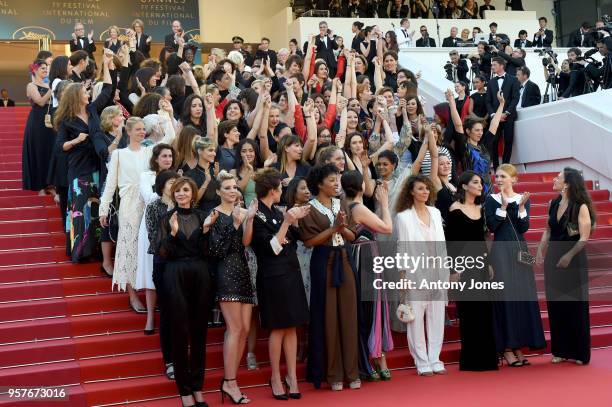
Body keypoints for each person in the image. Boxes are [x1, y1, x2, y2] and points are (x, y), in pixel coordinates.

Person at [243, 168, 310, 400]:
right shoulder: (257, 214)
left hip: (290, 272)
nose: (283, 192)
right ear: (272, 191)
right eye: (280, 189)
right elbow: (271, 249)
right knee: (278, 327)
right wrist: (287, 222)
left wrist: (295, 219)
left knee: (292, 326)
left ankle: (291, 376)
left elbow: (293, 240)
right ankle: (275, 376)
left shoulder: (275, 210)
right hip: (272, 276)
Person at [99, 114, 176, 310]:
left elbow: (171, 136)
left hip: (149, 205)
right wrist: (103, 208)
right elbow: (110, 184)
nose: (142, 132)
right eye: (138, 129)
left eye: (144, 129)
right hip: (128, 205)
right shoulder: (119, 154)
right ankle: (133, 295)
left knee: (148, 248)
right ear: (129, 131)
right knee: (130, 249)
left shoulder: (149, 150)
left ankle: (151, 291)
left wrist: (166, 115)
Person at [155, 176, 215, 407]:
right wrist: (172, 233)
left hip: (200, 274)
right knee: (179, 332)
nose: (181, 194)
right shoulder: (165, 218)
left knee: (200, 333)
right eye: (177, 190)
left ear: (193, 193)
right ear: (173, 194)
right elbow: (161, 253)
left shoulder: (202, 217)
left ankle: (198, 387)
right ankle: (184, 391)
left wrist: (208, 231)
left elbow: (208, 252)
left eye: (185, 190)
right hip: (174, 274)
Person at [298, 164, 359, 391]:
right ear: (320, 183)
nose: (336, 183)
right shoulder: (308, 208)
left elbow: (352, 235)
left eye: (338, 180)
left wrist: (341, 228)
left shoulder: (341, 203)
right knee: (328, 317)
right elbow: (308, 242)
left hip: (345, 259)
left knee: (349, 316)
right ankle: (333, 374)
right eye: (332, 180)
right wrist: (333, 229)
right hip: (323, 262)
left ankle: (352, 372)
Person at [485, 163, 546, 367]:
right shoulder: (491, 199)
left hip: (521, 251)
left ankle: (518, 345)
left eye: (503, 176)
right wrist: (502, 207)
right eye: (497, 176)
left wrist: (520, 207)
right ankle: (507, 348)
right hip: (501, 252)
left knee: (523, 295)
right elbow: (493, 227)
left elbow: (524, 227)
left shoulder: (523, 199)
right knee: (506, 298)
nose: (499, 180)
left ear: (514, 179)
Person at [54, 53, 113, 263]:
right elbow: (60, 147)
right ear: (75, 96)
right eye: (84, 91)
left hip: (97, 166)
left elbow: (107, 91)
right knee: (80, 210)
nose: (87, 92)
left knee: (96, 210)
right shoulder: (67, 120)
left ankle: (96, 251)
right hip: (79, 170)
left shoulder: (92, 110)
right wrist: (77, 140)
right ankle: (80, 251)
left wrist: (106, 65)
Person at [537, 168, 596, 365]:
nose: (554, 179)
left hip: (574, 259)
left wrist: (569, 256)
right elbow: (547, 230)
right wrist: (540, 250)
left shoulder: (581, 206)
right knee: (556, 305)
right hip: (553, 257)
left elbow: (584, 238)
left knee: (575, 306)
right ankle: (560, 350)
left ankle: (579, 352)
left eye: (559, 177)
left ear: (568, 183)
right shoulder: (553, 203)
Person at [342, 170, 394, 381]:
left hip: (360, 256)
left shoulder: (348, 205)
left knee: (368, 308)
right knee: (372, 307)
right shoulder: (359, 208)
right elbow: (387, 228)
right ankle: (374, 358)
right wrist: (385, 203)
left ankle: (373, 357)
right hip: (366, 259)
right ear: (361, 186)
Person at [395, 174, 449, 376]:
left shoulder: (435, 212)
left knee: (436, 317)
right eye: (420, 188)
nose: (425, 192)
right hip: (415, 272)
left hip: (437, 272)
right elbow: (401, 248)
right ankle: (421, 361)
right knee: (416, 318)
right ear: (411, 191)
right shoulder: (403, 217)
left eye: (427, 188)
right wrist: (402, 277)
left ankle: (435, 358)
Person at [209, 171, 255, 404]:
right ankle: (230, 382)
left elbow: (246, 242)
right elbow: (216, 251)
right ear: (218, 191)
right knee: (235, 329)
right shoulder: (214, 215)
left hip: (243, 270)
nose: (233, 190)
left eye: (235, 187)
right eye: (227, 187)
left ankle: (231, 380)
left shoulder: (244, 211)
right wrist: (234, 223)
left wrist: (249, 220)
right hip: (225, 272)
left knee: (245, 329)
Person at [446, 171, 499, 371]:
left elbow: (481, 240)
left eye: (481, 183)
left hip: (480, 265)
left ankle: (487, 358)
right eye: (476, 182)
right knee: (470, 312)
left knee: (484, 310)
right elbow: (451, 244)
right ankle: (471, 360)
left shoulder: (480, 208)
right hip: (463, 267)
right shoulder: (455, 209)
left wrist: (489, 263)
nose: (480, 185)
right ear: (465, 186)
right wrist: (453, 270)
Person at [136, 143, 175, 334]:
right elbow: (149, 197)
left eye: (170, 156)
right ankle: (151, 317)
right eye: (164, 156)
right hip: (151, 225)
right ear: (156, 159)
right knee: (151, 270)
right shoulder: (146, 176)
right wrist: (167, 190)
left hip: (174, 224)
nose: (168, 159)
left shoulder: (177, 177)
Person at [22, 60, 54, 194]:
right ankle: (40, 186)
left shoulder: (47, 84)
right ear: (34, 70)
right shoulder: (31, 85)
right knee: (39, 151)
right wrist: (52, 90)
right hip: (37, 121)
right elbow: (40, 102)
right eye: (42, 68)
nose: (45, 70)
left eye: (46, 68)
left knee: (50, 151)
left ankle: (50, 185)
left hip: (50, 120)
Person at [484, 57, 520, 169]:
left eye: (494, 65)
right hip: (495, 117)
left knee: (508, 141)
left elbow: (515, 98)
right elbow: (488, 101)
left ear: (501, 65)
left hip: (509, 116)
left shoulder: (513, 79)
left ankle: (505, 166)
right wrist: (495, 115)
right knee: (493, 142)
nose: (492, 67)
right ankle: (495, 167)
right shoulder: (490, 82)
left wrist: (507, 112)